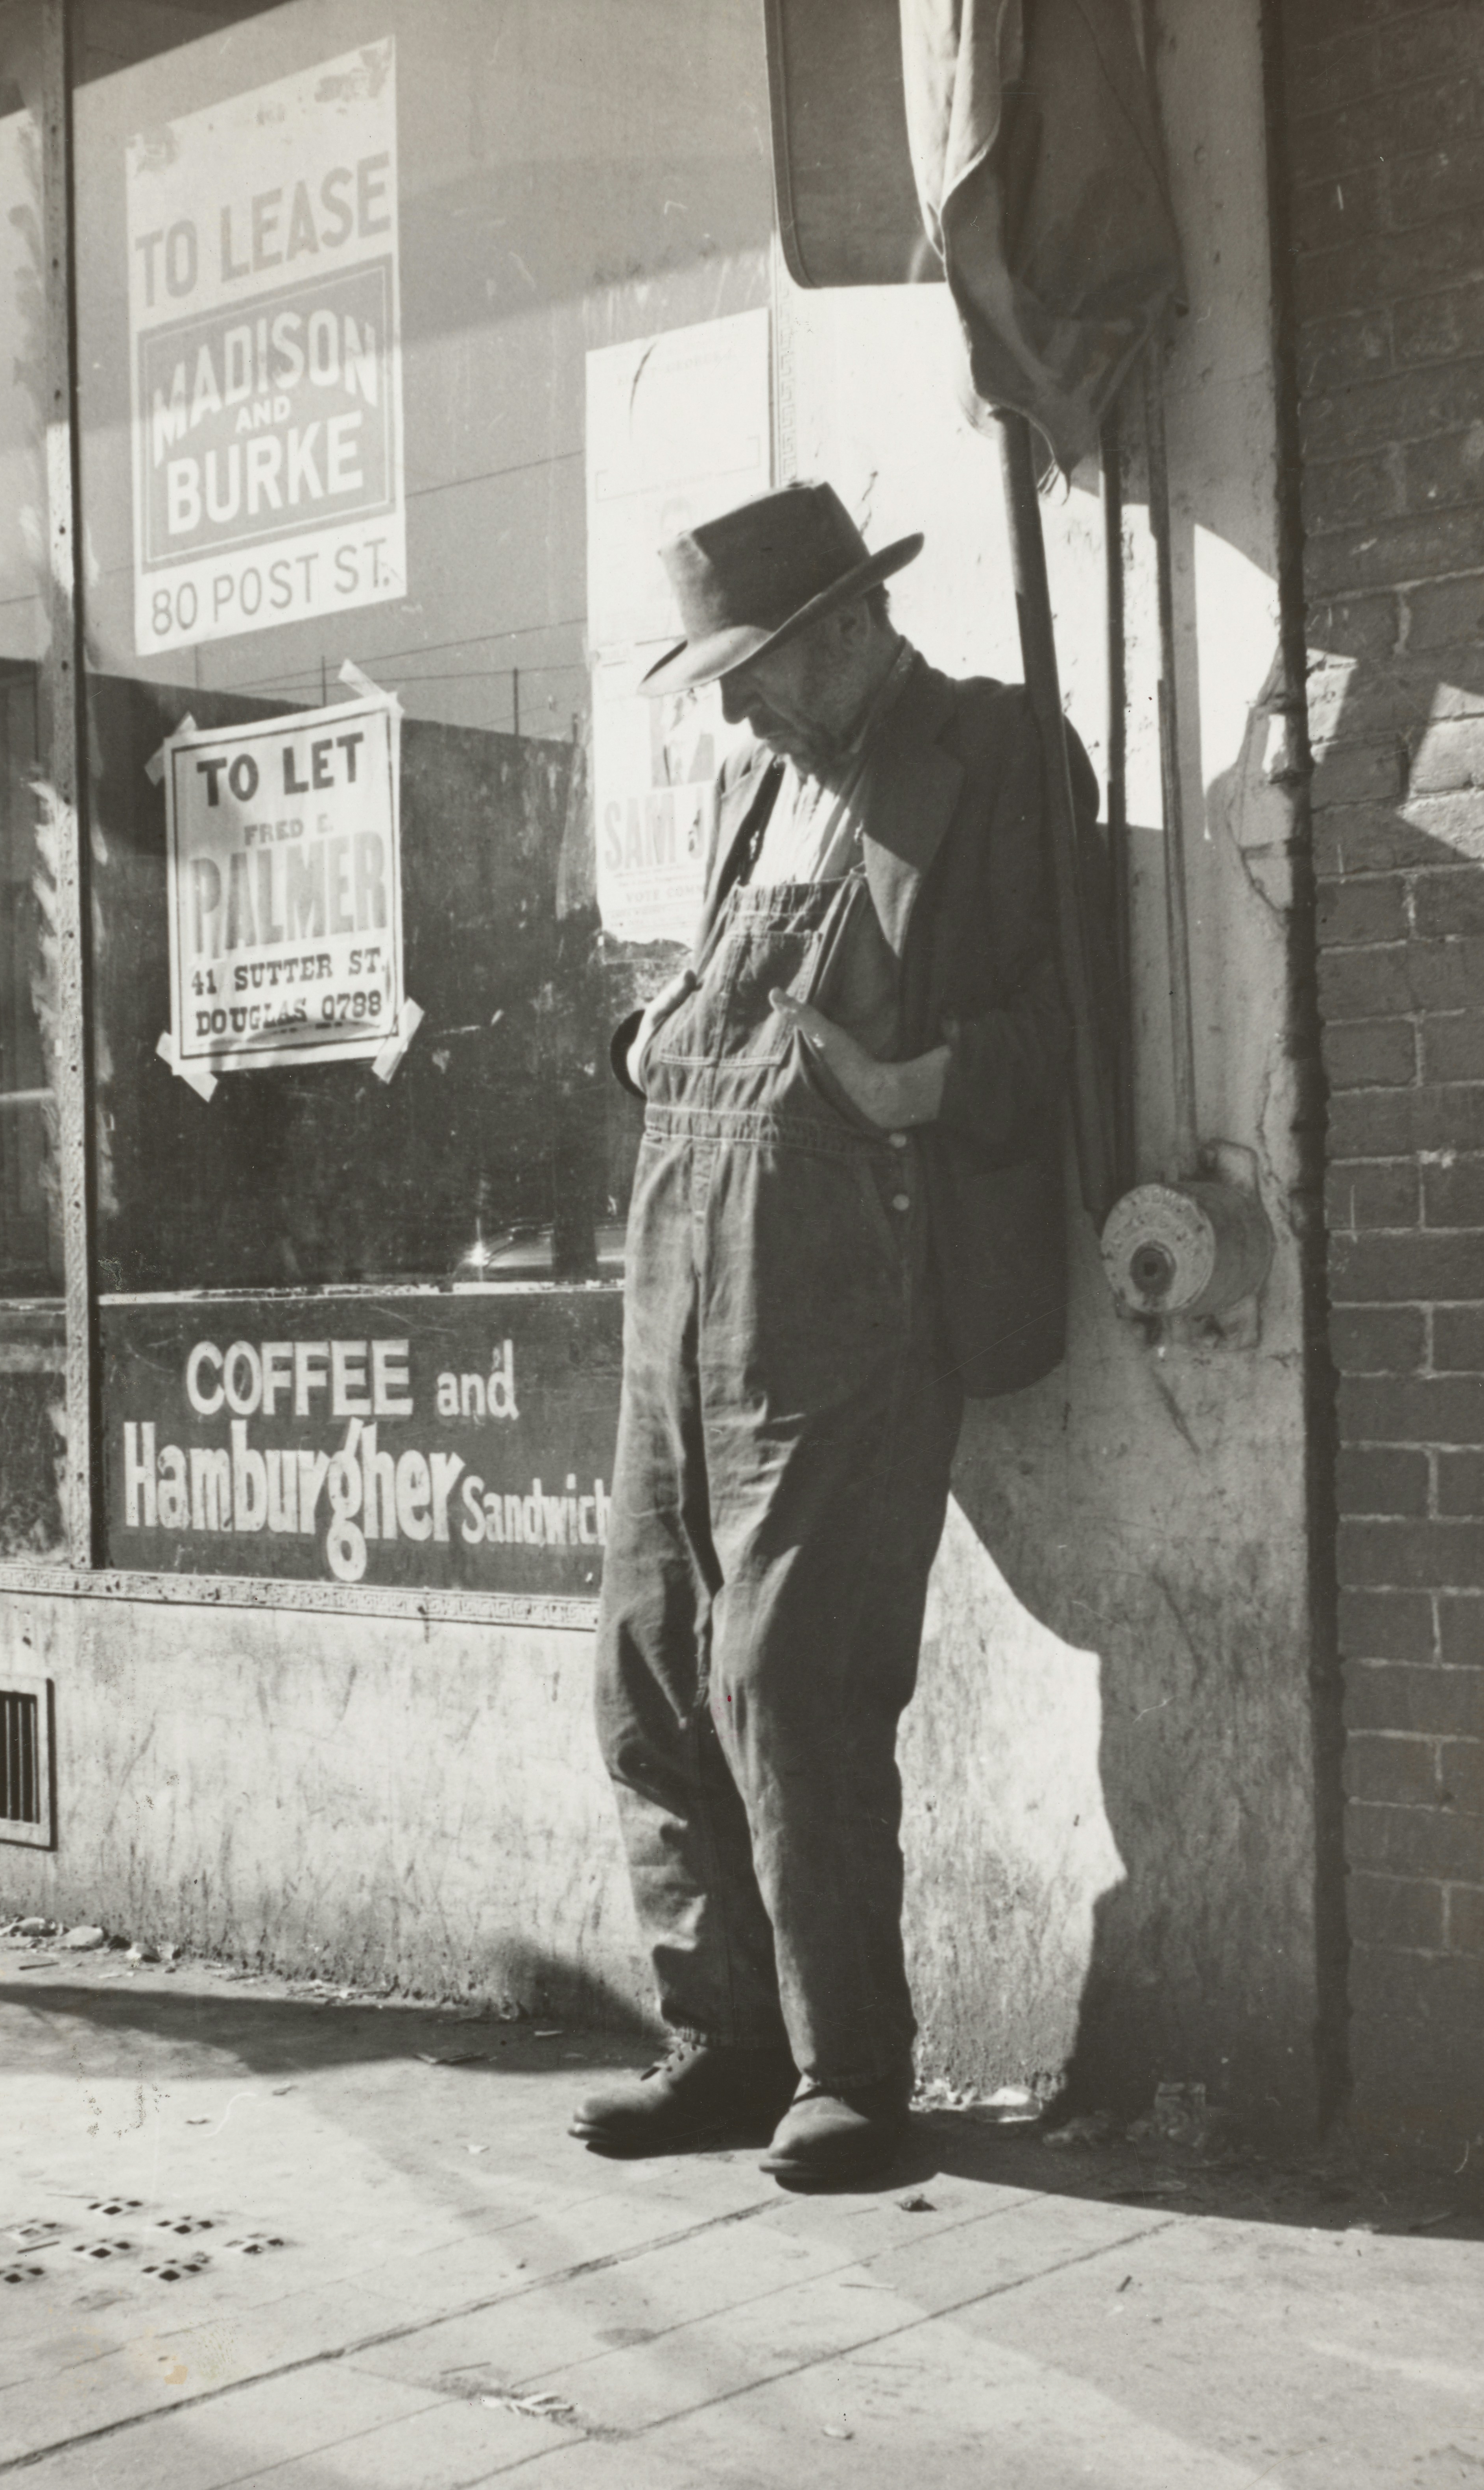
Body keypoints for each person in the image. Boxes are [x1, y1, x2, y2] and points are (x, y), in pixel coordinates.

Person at [575, 479, 1099, 2185]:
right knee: (651, 1669)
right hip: (686, 1277)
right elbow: (721, 1007)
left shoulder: (997, 756)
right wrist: (648, 1033)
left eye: (762, 666)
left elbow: (1072, 1031)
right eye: (724, 674)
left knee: (786, 1672)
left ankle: (852, 2070)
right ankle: (724, 2041)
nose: (735, 703)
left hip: (859, 1289)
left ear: (857, 624)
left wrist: (913, 1082)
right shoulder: (754, 787)